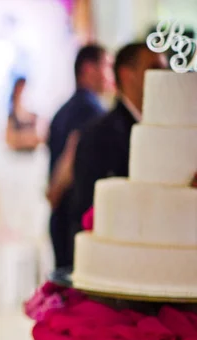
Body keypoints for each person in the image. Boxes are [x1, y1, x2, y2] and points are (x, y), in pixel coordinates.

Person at [69, 43, 167, 234]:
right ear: (126, 74)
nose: (164, 77)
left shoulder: (167, 130)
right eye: (155, 69)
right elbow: (86, 210)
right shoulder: (98, 133)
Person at [45, 44, 111, 269]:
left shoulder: (62, 110)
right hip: (77, 218)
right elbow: (70, 158)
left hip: (61, 218)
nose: (110, 76)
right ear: (89, 69)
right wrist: (54, 191)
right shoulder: (91, 111)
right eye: (107, 66)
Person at [5, 77, 42, 152]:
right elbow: (10, 140)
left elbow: (39, 138)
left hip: (31, 156)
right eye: (21, 89)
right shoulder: (12, 115)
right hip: (16, 157)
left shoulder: (32, 114)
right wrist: (27, 138)